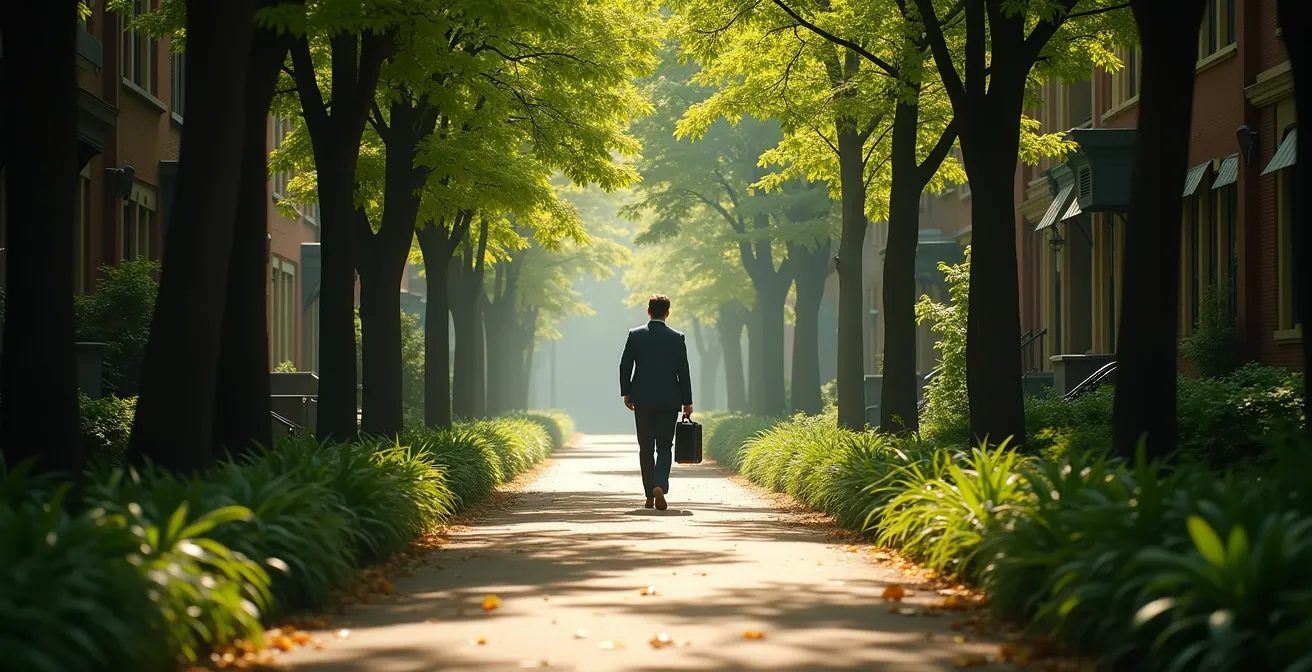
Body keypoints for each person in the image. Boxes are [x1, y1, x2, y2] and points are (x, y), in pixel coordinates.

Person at [619, 293, 693, 511]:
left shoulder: (635, 335)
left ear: (648, 311)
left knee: (645, 447)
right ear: (667, 313)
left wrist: (627, 392)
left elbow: (625, 366)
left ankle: (649, 495)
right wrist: (687, 401)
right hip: (669, 401)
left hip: (642, 400)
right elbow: (683, 372)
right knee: (664, 447)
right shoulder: (677, 338)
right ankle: (660, 484)